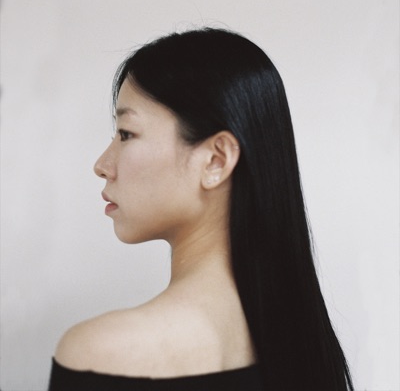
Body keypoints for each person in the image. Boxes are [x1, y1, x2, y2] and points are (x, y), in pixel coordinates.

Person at [48, 27, 354, 390]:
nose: (102, 165)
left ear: (215, 160)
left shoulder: (99, 353)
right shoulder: (305, 346)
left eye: (126, 133)